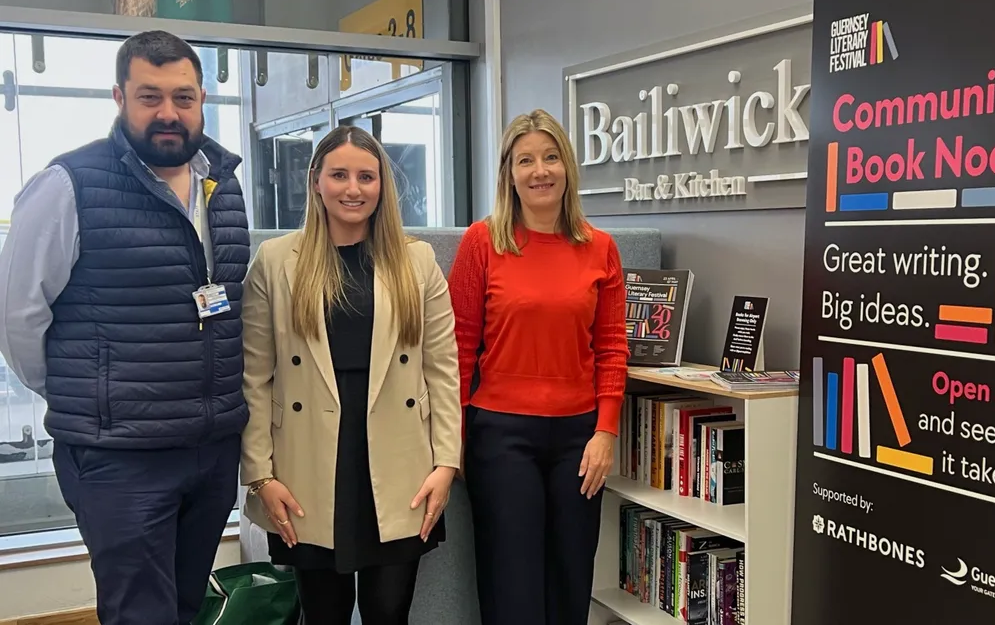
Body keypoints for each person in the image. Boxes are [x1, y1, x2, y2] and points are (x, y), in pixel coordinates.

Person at [0, 31, 249, 625]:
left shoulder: (224, 184)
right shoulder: (69, 185)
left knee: (187, 606)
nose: (168, 113)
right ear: (119, 97)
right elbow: (18, 317)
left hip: (210, 448)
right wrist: (85, 393)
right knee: (140, 613)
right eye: (149, 96)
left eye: (183, 97)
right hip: (120, 454)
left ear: (203, 99)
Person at [240, 125, 461, 625]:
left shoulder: (416, 260)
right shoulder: (276, 262)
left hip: (401, 463)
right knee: (325, 613)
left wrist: (445, 464)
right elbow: (254, 377)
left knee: (388, 611)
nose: (353, 188)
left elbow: (442, 370)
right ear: (315, 180)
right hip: (308, 465)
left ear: (382, 186)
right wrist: (260, 476)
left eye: (366, 176)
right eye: (339, 174)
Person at [447, 108, 630, 625]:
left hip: (579, 437)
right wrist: (455, 436)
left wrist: (606, 431)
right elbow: (459, 347)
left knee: (571, 579)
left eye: (550, 157)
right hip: (501, 437)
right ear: (509, 172)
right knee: (512, 587)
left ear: (567, 167)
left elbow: (613, 347)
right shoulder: (482, 243)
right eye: (525, 160)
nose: (540, 170)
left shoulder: (601, 249)